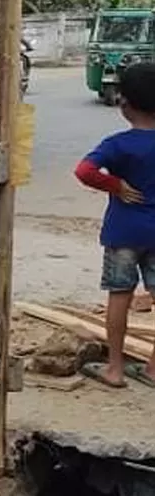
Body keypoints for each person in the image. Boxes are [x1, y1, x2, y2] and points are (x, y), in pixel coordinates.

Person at [73, 62, 155, 388]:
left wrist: (116, 185)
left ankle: (115, 369)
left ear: (124, 105)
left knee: (119, 296)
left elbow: (84, 171)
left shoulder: (118, 144)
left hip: (123, 234)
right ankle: (152, 369)